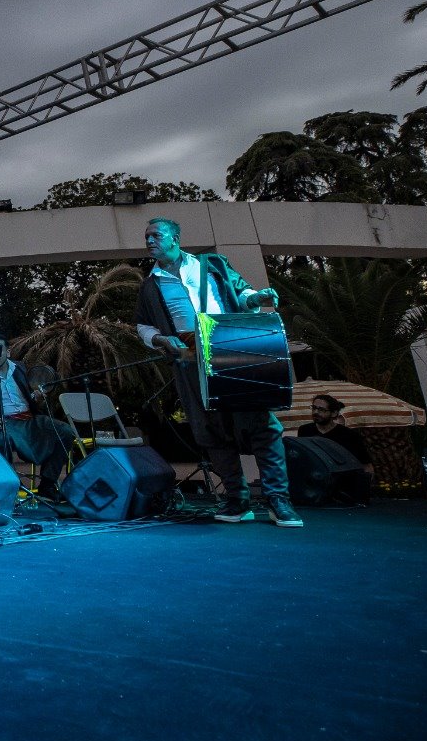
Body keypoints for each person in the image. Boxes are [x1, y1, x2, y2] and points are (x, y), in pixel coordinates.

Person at [134, 217, 303, 527]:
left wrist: (257, 298)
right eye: (147, 237)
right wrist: (159, 339)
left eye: (156, 235)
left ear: (176, 237)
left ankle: (279, 499)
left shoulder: (211, 264)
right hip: (189, 357)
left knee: (261, 424)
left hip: (231, 347)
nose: (150, 241)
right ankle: (238, 500)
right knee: (210, 430)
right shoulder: (150, 284)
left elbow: (242, 294)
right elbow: (143, 326)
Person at [0, 332, 75, 500]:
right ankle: (11, 485)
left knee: (64, 431)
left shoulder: (21, 368)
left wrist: (38, 397)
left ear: (8, 352)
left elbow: (32, 397)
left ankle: (48, 484)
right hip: (3, 423)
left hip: (30, 420)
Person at [295, 392, 373, 504]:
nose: (316, 412)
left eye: (321, 410)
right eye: (314, 408)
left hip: (342, 490)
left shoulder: (349, 435)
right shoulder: (305, 430)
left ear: (334, 413)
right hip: (313, 488)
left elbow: (366, 465)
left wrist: (364, 490)